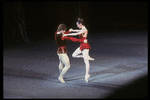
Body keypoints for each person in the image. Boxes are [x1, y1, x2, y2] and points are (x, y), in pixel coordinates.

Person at [63, 18, 94, 82]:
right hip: (81, 46)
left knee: (86, 62)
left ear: (81, 24)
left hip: (85, 47)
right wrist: (73, 30)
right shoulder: (82, 28)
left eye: (77, 25)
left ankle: (87, 74)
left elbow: (76, 34)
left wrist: (66, 34)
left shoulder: (84, 30)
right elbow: (77, 31)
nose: (77, 26)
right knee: (73, 55)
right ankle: (85, 56)